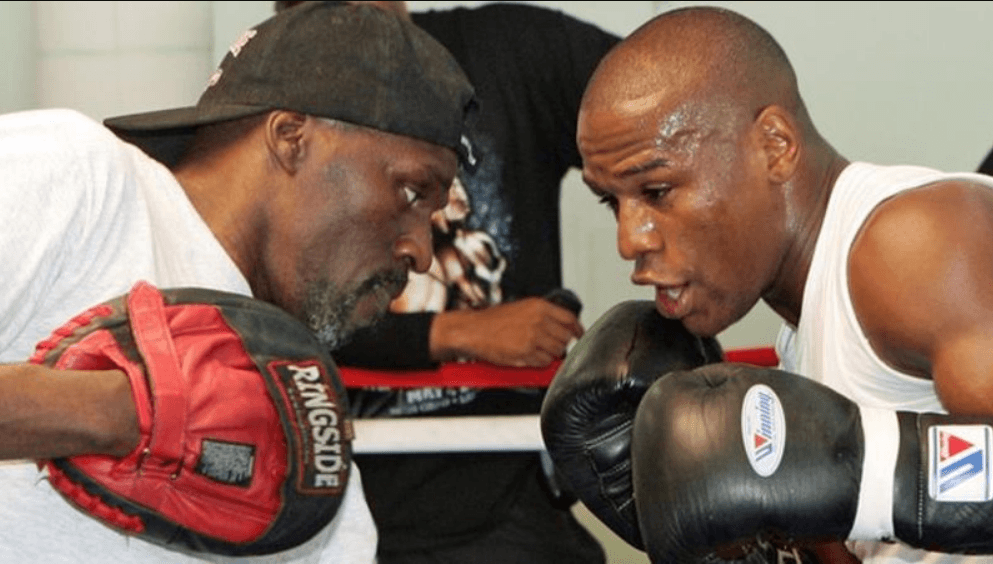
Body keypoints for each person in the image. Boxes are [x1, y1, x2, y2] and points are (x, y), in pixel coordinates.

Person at [0, 2, 477, 562]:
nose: (420, 253)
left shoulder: (301, 454)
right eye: (413, 192)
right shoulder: (83, 180)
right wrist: (124, 411)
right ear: (292, 137)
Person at [572, 4, 993, 563]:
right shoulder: (804, 331)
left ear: (774, 145)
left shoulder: (908, 245)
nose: (630, 240)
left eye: (657, 191)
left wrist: (864, 476)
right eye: (611, 202)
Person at [274, 1, 620, 562]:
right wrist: (455, 333)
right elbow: (267, 311)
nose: (414, 244)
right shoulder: (278, 102)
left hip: (507, 500)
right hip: (340, 502)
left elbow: (663, 108)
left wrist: (653, 230)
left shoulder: (509, 51)